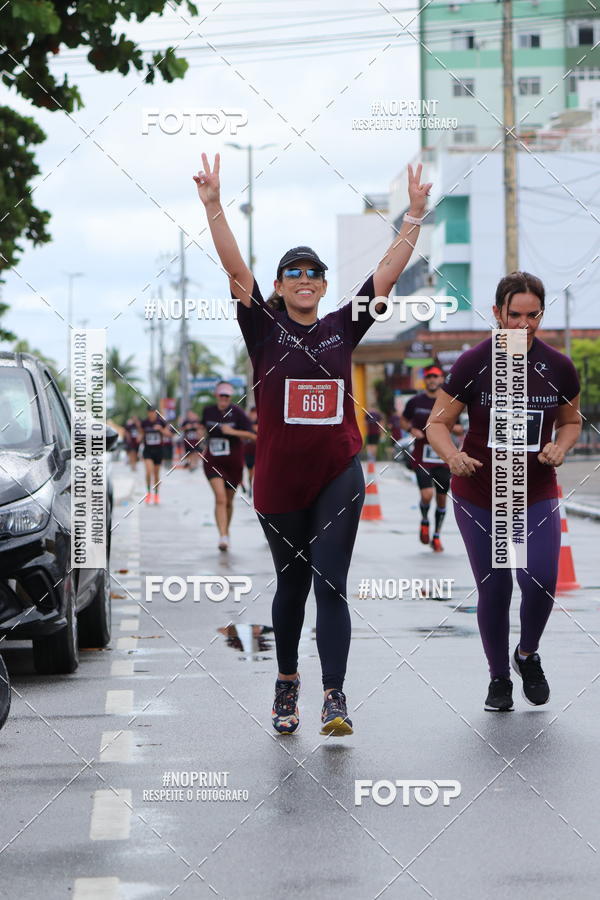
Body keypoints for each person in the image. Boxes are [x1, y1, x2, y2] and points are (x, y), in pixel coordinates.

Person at [194, 151, 431, 736]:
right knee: (292, 587)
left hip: (337, 474)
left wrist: (414, 219)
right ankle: (286, 683)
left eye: (314, 273)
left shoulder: (342, 326)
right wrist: (215, 206)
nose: (305, 279)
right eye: (294, 273)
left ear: (324, 286)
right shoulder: (263, 329)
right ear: (279, 286)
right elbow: (234, 268)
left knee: (330, 583)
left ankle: (334, 698)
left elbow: (387, 274)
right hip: (277, 482)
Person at [426, 272, 581, 712]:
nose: (524, 325)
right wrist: (452, 455)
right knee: (496, 588)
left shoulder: (559, 366)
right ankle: (498, 679)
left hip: (535, 490)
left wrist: (561, 445)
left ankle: (526, 654)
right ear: (497, 314)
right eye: (515, 315)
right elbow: (436, 423)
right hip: (478, 491)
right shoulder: (475, 362)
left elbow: (571, 422)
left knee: (542, 581)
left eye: (533, 316)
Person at [400, 365, 463, 552]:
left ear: (442, 379)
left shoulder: (450, 403)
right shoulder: (415, 402)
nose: (432, 380)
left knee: (442, 499)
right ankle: (425, 521)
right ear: (425, 380)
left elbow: (458, 426)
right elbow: (403, 420)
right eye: (428, 377)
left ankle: (437, 535)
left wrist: (457, 429)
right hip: (422, 455)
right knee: (427, 495)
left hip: (443, 455)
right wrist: (411, 430)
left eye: (435, 377)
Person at [199, 382, 257, 551]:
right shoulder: (208, 411)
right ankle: (222, 536)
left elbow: (253, 436)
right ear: (216, 396)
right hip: (213, 461)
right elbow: (203, 429)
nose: (223, 399)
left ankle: (226, 531)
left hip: (233, 463)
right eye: (221, 395)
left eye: (227, 396)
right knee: (220, 498)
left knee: (229, 501)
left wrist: (233, 432)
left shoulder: (237, 413)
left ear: (230, 398)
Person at [140, 406, 170, 504]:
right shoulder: (144, 423)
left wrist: (161, 429)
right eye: (150, 412)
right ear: (147, 412)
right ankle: (148, 493)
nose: (151, 414)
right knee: (149, 471)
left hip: (158, 451)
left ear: (156, 413)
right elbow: (141, 434)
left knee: (156, 474)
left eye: (153, 412)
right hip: (148, 450)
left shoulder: (161, 422)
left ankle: (156, 494)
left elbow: (168, 434)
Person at [243, 406, 258, 496]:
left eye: (255, 413)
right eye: (252, 413)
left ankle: (255, 488)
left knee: (257, 471)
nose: (253, 415)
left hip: (258, 451)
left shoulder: (260, 422)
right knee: (250, 472)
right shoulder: (246, 423)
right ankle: (250, 487)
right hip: (248, 451)